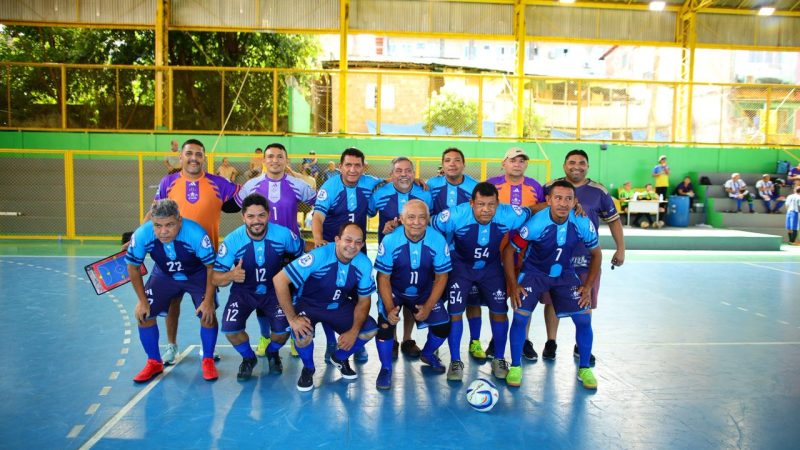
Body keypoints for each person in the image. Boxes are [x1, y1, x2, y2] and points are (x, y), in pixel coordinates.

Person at [504, 180, 601, 389]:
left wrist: (588, 286)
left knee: (584, 320)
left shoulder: (582, 222)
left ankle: (584, 368)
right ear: (548, 200)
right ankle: (515, 366)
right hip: (534, 273)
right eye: (558, 198)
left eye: (568, 199)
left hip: (565, 275)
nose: (563, 203)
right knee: (520, 318)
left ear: (575, 201)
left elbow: (596, 253)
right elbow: (510, 250)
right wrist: (513, 286)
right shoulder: (536, 224)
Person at [150, 139, 239, 365]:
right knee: (172, 303)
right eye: (189, 153)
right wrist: (137, 236)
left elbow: (245, 196)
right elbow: (155, 213)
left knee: (207, 307)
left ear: (204, 158)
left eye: (199, 154)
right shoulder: (168, 182)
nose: (193, 158)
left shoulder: (219, 183)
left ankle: (206, 351)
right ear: (181, 157)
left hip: (205, 261)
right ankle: (171, 346)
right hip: (170, 255)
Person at [431, 182, 531, 382]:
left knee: (500, 311)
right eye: (481, 204)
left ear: (498, 204)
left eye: (491, 205)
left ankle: (500, 359)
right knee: (455, 312)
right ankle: (456, 361)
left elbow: (532, 211)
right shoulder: (456, 215)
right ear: (471, 204)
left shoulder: (509, 214)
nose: (486, 209)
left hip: (491, 269)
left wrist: (567, 206)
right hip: (461, 268)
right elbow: (430, 225)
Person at [541, 149, 625, 364]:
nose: (576, 166)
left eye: (581, 163)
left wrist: (620, 248)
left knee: (585, 300)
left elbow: (613, 220)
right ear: (564, 165)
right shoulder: (550, 186)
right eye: (571, 162)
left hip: (586, 258)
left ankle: (581, 345)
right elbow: (538, 212)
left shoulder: (599, 191)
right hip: (555, 257)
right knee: (551, 301)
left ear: (587, 166)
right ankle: (551, 341)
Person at [273, 223, 379, 392]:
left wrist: (353, 331)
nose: (352, 246)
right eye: (348, 240)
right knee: (302, 334)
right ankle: (308, 368)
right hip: (309, 305)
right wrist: (293, 319)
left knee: (369, 329)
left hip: (338, 306)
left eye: (358, 242)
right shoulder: (319, 256)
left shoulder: (364, 264)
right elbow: (279, 280)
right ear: (337, 240)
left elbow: (364, 301)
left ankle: (339, 358)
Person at [213, 194, 305, 380]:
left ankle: (272, 353)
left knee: (282, 332)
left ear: (268, 215)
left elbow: (301, 256)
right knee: (230, 329)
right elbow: (215, 277)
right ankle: (248, 358)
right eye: (251, 216)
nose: (257, 221)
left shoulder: (284, 235)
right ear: (243, 217)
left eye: (261, 216)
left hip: (275, 292)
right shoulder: (232, 240)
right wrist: (231, 275)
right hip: (243, 292)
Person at [236, 142, 316, 357]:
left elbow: (319, 205)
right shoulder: (251, 185)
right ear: (264, 160)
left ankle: (292, 334)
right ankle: (264, 336)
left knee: (293, 294)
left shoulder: (298, 185)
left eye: (279, 157)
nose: (275, 160)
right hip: (261, 250)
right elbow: (241, 210)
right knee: (263, 295)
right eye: (270, 156)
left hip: (291, 251)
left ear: (286, 160)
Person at [126, 199, 219, 382]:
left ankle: (207, 359)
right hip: (164, 275)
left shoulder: (196, 234)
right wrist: (142, 301)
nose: (163, 231)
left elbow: (211, 268)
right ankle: (154, 362)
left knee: (208, 315)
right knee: (144, 315)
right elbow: (133, 267)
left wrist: (208, 301)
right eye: (158, 226)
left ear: (179, 220)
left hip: (197, 274)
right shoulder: (143, 234)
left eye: (169, 225)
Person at [312, 147, 382, 363]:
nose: (352, 169)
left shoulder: (370, 182)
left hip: (356, 249)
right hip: (332, 250)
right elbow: (317, 217)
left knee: (354, 295)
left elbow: (393, 180)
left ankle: (355, 340)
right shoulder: (330, 186)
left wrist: (416, 180)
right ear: (340, 166)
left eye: (357, 165)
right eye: (348, 165)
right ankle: (331, 341)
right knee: (328, 296)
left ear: (364, 167)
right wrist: (317, 241)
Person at [373, 200, 451, 389]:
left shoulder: (438, 240)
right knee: (384, 324)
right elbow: (383, 278)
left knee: (443, 326)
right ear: (401, 219)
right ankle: (385, 369)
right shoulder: (391, 240)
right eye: (411, 217)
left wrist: (429, 306)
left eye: (422, 217)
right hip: (396, 291)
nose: (416, 222)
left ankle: (428, 353)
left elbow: (441, 277)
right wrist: (390, 308)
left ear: (428, 219)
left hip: (423, 292)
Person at [369, 157, 433, 358]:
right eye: (398, 171)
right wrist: (387, 229)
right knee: (389, 296)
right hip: (388, 257)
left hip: (417, 256)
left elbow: (428, 223)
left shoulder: (424, 193)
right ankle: (393, 340)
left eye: (408, 171)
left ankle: (407, 339)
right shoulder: (380, 193)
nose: (403, 174)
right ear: (391, 175)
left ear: (414, 173)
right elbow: (370, 213)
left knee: (411, 296)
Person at [485, 147, 545, 362]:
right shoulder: (492, 184)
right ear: (504, 163)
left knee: (524, 296)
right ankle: (496, 338)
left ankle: (525, 340)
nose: (517, 164)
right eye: (513, 160)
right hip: (496, 248)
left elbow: (546, 208)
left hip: (528, 250)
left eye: (522, 160)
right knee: (498, 296)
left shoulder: (535, 187)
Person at [426, 147, 479, 216]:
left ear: (464, 165)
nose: (452, 164)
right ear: (442, 165)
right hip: (435, 226)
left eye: (457, 160)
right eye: (447, 160)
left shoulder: (475, 187)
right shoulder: (431, 184)